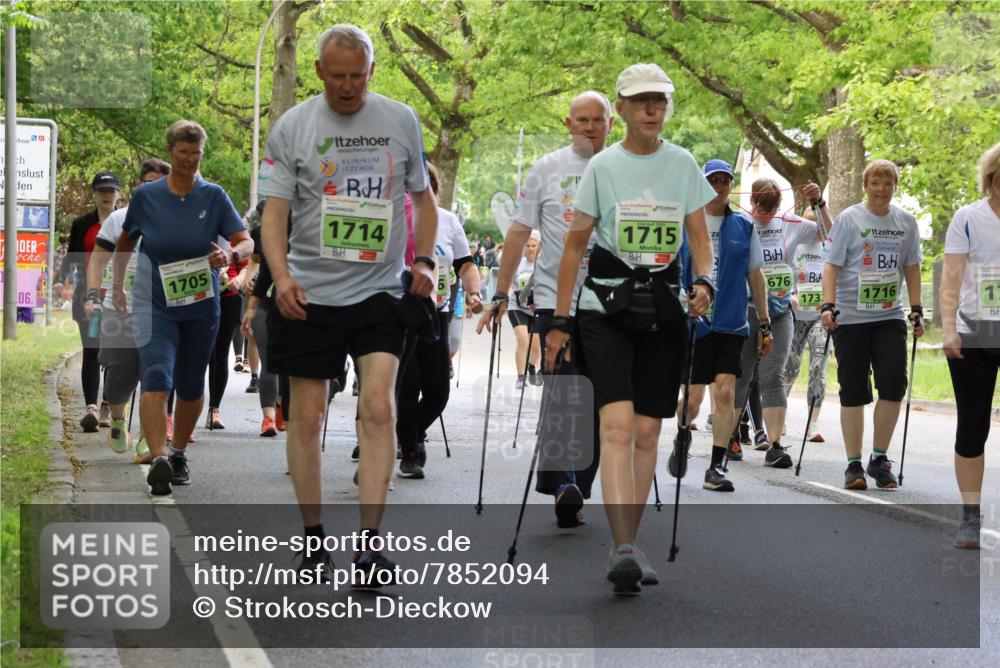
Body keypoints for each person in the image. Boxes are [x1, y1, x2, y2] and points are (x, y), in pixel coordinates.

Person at [260, 24, 436, 583]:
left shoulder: (400, 119)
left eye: (357, 76)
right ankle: (313, 541)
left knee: (379, 407)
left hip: (378, 291)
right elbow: (275, 213)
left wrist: (425, 261)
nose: (347, 87)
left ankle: (369, 545)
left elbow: (423, 200)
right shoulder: (293, 127)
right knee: (308, 417)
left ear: (372, 71)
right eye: (337, 77)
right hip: (309, 293)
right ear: (318, 73)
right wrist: (281, 276)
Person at [544, 64, 715, 594]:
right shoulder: (603, 167)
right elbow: (574, 247)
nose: (650, 110)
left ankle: (630, 541)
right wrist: (559, 320)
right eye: (640, 101)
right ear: (620, 109)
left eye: (659, 102)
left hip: (663, 308)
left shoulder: (684, 164)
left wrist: (704, 283)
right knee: (616, 428)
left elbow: (700, 239)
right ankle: (621, 547)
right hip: (604, 308)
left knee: (647, 432)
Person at [478, 90, 613, 528]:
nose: (591, 126)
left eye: (599, 119)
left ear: (612, 123)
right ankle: (563, 484)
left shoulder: (624, 169)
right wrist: (501, 292)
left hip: (612, 304)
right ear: (568, 123)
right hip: (558, 302)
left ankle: (579, 484)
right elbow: (518, 233)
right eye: (583, 119)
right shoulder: (547, 169)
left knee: (598, 402)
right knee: (565, 393)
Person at [111, 120, 251, 496]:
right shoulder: (147, 197)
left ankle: (177, 452)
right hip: (155, 303)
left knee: (191, 385)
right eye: (183, 153)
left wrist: (231, 254)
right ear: (171, 152)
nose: (190, 160)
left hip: (202, 307)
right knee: (156, 373)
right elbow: (125, 243)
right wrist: (117, 286)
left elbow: (246, 241)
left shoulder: (215, 196)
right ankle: (158, 458)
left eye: (197, 154)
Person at [821, 159, 923, 490]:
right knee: (853, 391)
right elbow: (831, 266)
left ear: (895, 187)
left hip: (889, 315)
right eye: (876, 182)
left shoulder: (906, 221)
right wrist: (828, 306)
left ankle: (879, 459)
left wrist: (916, 308)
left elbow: (912, 267)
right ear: (866, 186)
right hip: (850, 318)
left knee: (893, 384)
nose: (882, 189)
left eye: (888, 183)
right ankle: (853, 465)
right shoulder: (849, 219)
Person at [671, 159, 770, 492]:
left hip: (730, 321)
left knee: (725, 392)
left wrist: (766, 322)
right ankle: (682, 435)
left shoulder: (744, 226)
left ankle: (716, 466)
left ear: (731, 185)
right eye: (712, 179)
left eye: (725, 179)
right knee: (694, 398)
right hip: (694, 322)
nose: (719, 184)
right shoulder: (685, 223)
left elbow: (756, 275)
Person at [730, 178, 828, 468]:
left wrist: (818, 203)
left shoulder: (790, 223)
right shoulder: (740, 223)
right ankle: (731, 436)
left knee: (774, 375)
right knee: (742, 376)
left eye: (770, 208)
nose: (764, 213)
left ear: (778, 206)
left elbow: (828, 234)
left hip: (780, 311)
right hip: (744, 309)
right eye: (760, 206)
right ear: (752, 202)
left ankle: (774, 445)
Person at [395, 163, 482, 479]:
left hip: (436, 314)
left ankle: (409, 431)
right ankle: (411, 449)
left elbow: (466, 264)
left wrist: (473, 293)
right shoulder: (392, 215)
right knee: (409, 384)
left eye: (428, 182)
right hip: (399, 314)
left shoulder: (447, 220)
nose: (421, 188)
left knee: (438, 392)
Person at [84, 158, 171, 459]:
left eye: (160, 184)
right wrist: (93, 295)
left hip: (161, 313)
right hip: (119, 309)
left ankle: (150, 439)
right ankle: (119, 420)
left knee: (156, 377)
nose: (154, 190)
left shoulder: (177, 221)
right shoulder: (119, 219)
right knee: (119, 380)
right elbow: (97, 260)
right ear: (138, 186)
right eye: (148, 183)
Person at [940, 141, 1000, 549]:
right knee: (973, 424)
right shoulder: (968, 218)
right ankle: (970, 517)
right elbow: (950, 280)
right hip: (975, 331)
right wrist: (948, 329)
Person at [62, 171, 122, 432]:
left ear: (118, 194)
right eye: (101, 191)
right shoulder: (82, 224)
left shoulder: (126, 222)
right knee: (92, 349)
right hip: (89, 298)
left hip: (118, 299)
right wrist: (61, 280)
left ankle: (108, 404)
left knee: (112, 352)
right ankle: (91, 409)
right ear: (95, 194)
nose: (106, 196)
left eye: (111, 191)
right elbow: (72, 258)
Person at [784, 207, 832, 442]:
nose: (816, 231)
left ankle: (812, 424)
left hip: (818, 317)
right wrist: (790, 295)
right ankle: (778, 417)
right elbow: (784, 273)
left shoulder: (829, 248)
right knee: (790, 369)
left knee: (818, 367)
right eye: (812, 225)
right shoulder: (796, 245)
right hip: (795, 316)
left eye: (820, 226)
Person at [241, 200, 289, 437]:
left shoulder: (311, 227)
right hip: (267, 301)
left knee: (288, 364)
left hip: (298, 302)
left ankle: (282, 404)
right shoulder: (262, 232)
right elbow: (261, 265)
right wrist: (251, 301)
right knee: (268, 356)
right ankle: (268, 418)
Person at [204, 237, 250, 430]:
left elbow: (246, 265)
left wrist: (239, 279)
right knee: (194, 355)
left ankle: (214, 409)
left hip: (228, 299)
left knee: (219, 354)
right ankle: (178, 413)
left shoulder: (232, 232)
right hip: (199, 297)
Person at [507, 232, 542, 389]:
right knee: (522, 340)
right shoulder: (517, 264)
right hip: (517, 306)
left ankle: (531, 367)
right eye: (527, 246)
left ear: (539, 247)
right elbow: (508, 284)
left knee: (535, 348)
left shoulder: (543, 263)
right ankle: (521, 377)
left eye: (534, 245)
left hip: (537, 309)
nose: (530, 248)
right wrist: (506, 297)